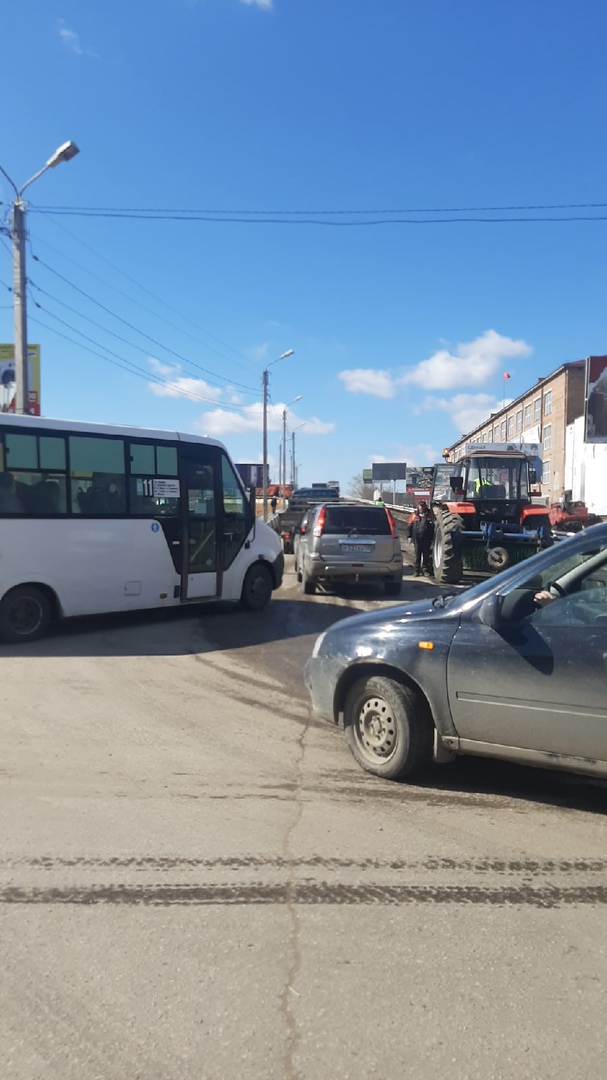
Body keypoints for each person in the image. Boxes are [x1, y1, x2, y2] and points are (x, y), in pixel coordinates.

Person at [409, 500, 434, 576]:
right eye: (420, 506)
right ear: (418, 507)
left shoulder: (430, 515)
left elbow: (434, 526)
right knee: (417, 555)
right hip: (417, 539)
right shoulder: (414, 515)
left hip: (427, 539)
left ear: (425, 507)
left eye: (423, 506)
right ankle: (416, 570)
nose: (421, 508)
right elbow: (409, 526)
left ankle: (425, 570)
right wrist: (409, 536)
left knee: (426, 555)